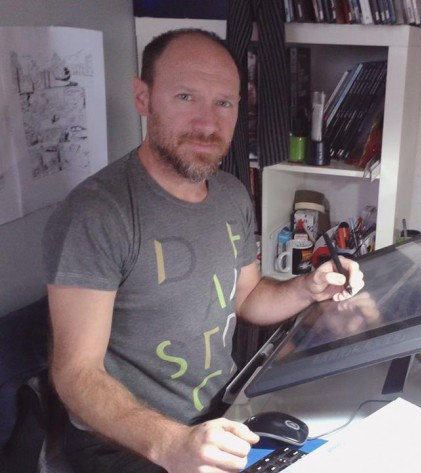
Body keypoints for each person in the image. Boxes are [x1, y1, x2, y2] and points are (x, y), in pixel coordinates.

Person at [43, 29, 363, 473]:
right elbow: (76, 373)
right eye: (185, 97)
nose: (208, 124)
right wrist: (171, 443)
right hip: (129, 445)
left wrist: (309, 288)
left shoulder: (231, 194)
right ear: (143, 97)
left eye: (223, 103)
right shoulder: (96, 213)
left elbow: (247, 298)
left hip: (223, 414)